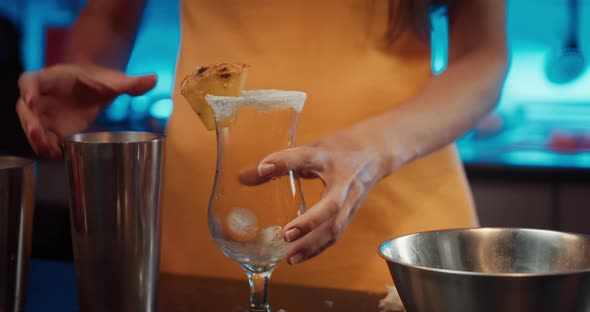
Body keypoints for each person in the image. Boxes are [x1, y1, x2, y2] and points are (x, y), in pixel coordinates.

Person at [16, 0, 508, 292]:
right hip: (203, 234)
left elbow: (483, 56)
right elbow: (112, 15)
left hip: (394, 235)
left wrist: (369, 150)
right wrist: (85, 63)